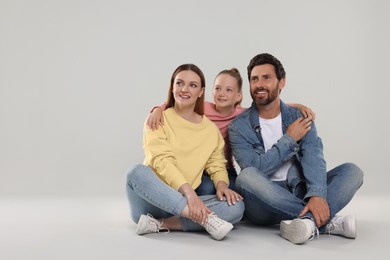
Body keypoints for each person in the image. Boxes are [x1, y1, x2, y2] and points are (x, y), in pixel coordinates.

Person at [228, 53, 364, 244]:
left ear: (281, 82)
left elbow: (313, 155)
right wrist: (289, 139)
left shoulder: (299, 116)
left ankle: (305, 224)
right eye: (254, 79)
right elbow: (255, 168)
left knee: (352, 171)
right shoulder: (238, 126)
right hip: (261, 203)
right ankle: (323, 221)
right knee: (246, 176)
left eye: (266, 78)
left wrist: (316, 194)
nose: (259, 84)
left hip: (298, 190)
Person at [147, 68, 316, 195]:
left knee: (239, 194)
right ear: (210, 91)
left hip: (225, 168)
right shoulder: (202, 108)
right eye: (218, 88)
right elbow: (178, 101)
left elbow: (270, 105)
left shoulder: (242, 115)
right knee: (205, 187)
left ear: (238, 96)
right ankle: (189, 203)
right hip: (198, 166)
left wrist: (298, 106)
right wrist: (157, 110)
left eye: (228, 90)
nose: (221, 94)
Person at [126, 64, 245, 241]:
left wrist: (222, 185)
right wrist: (190, 195)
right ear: (172, 86)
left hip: (180, 204)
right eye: (179, 83)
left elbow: (216, 164)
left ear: (201, 92)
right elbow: (162, 161)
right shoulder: (157, 119)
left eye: (193, 85)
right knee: (136, 172)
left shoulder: (210, 130)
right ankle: (207, 219)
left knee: (237, 206)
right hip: (151, 201)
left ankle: (160, 224)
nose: (184, 89)